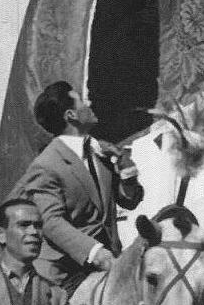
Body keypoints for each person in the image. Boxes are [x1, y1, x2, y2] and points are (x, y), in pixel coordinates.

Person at [11, 81, 144, 294]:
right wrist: (95, 252)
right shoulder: (47, 164)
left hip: (105, 269)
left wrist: (128, 177)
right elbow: (51, 222)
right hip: (63, 277)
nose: (88, 103)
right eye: (81, 100)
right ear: (71, 115)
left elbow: (128, 201)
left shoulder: (99, 153)